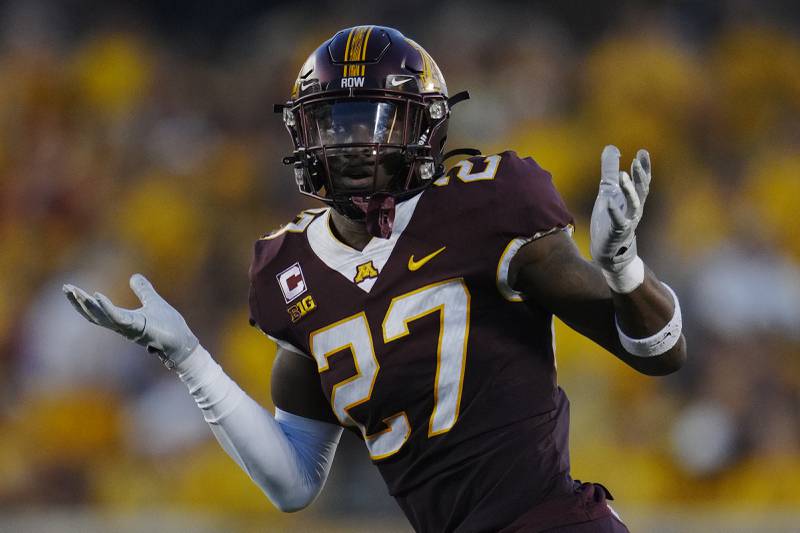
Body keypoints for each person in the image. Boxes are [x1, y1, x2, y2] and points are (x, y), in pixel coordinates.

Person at [63, 26, 685, 533]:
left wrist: (624, 264)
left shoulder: (492, 206)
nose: (352, 143)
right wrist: (189, 358)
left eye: (375, 120)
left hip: (552, 524)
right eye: (334, 123)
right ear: (304, 132)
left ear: (425, 126)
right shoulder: (287, 268)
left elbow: (661, 354)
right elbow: (294, 482)